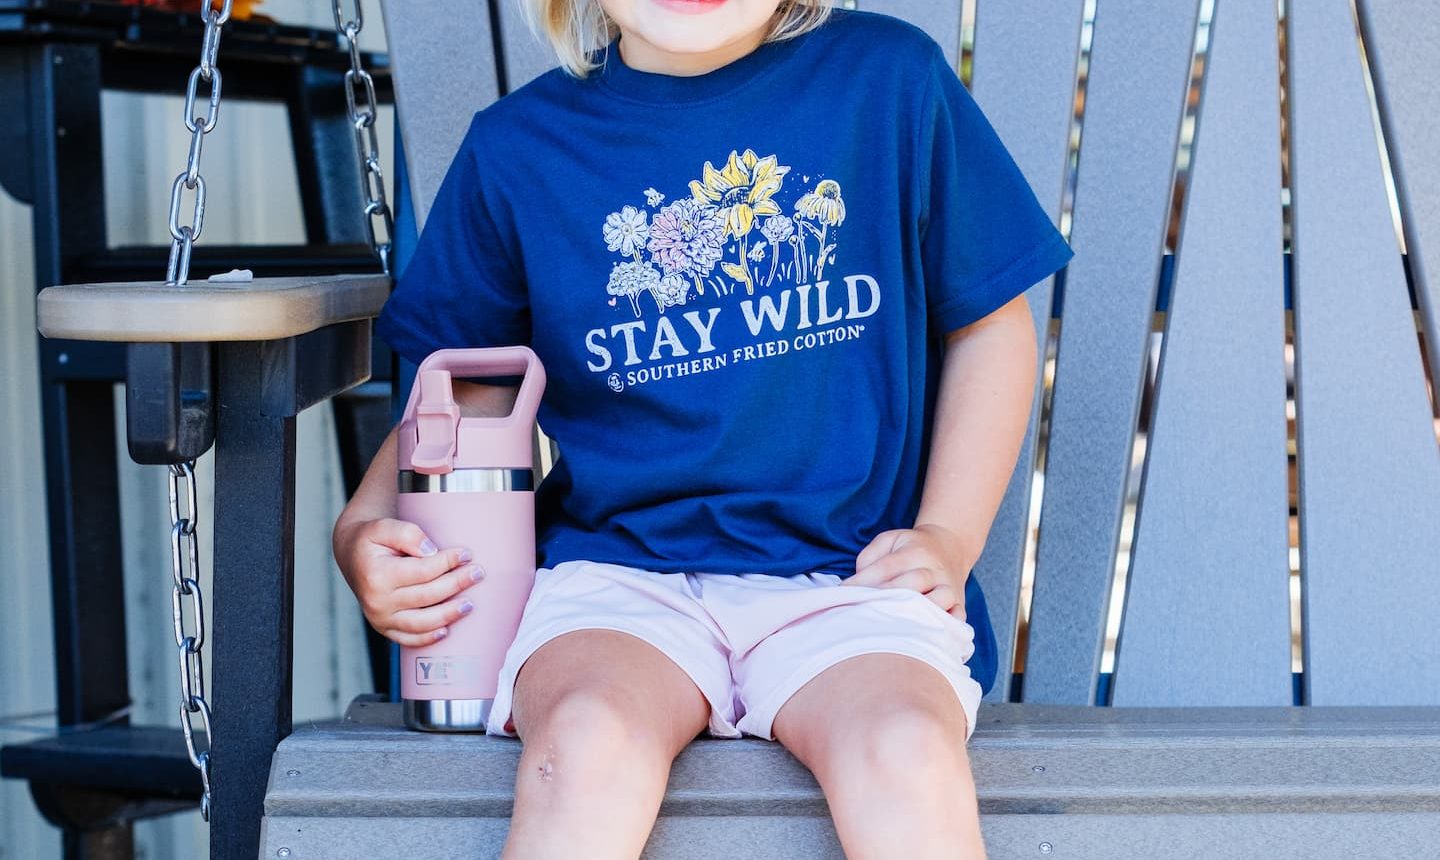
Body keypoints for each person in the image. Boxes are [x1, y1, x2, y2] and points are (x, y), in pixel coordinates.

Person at [333, 0, 1074, 856]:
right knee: (584, 745)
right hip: (621, 580)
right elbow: (453, 394)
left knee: (904, 751)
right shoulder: (519, 153)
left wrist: (947, 534)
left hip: (852, 579)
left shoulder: (888, 84)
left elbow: (989, 324)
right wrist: (363, 527)